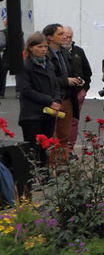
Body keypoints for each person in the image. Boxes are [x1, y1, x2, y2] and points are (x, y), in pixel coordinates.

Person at [15, 33, 61, 172]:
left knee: (45, 148)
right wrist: (49, 100)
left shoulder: (49, 65)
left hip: (48, 113)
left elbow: (55, 85)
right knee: (33, 148)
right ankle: (35, 176)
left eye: (45, 47)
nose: (43, 49)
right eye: (39, 46)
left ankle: (45, 175)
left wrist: (57, 100)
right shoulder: (24, 66)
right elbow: (25, 90)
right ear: (30, 48)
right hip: (31, 114)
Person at [44, 23, 81, 165]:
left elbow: (74, 70)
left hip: (67, 99)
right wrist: (66, 81)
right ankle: (52, 165)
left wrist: (77, 79)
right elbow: (48, 79)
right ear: (50, 37)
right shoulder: (46, 54)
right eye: (60, 34)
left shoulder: (64, 53)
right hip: (53, 100)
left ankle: (62, 166)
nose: (64, 37)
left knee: (65, 135)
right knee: (52, 135)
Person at [62, 27, 93, 145]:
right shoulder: (56, 53)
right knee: (63, 121)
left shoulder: (78, 51)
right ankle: (62, 148)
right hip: (64, 93)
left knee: (74, 120)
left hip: (79, 92)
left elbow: (87, 71)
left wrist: (85, 89)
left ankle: (70, 148)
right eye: (65, 37)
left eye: (70, 37)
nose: (68, 39)